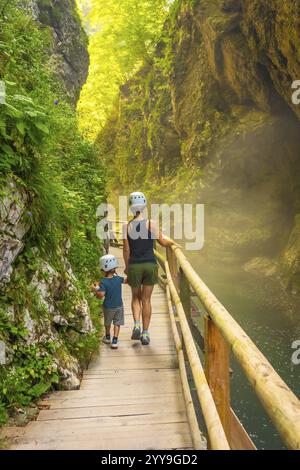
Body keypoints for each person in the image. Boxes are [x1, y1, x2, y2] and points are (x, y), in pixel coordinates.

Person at [122, 192, 176, 346]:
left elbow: (126, 250)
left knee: (135, 298)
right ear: (144, 206)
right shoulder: (151, 223)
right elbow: (163, 242)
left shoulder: (127, 226)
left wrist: (127, 268)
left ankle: (137, 324)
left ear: (131, 207)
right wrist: (173, 244)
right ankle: (145, 334)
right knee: (146, 300)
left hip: (135, 265)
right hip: (150, 265)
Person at [91, 254, 126, 349]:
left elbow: (101, 294)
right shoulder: (118, 279)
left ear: (103, 269)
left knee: (107, 322)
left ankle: (107, 337)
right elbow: (126, 281)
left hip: (108, 307)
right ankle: (115, 340)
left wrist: (95, 289)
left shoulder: (103, 281)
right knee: (117, 323)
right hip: (119, 305)